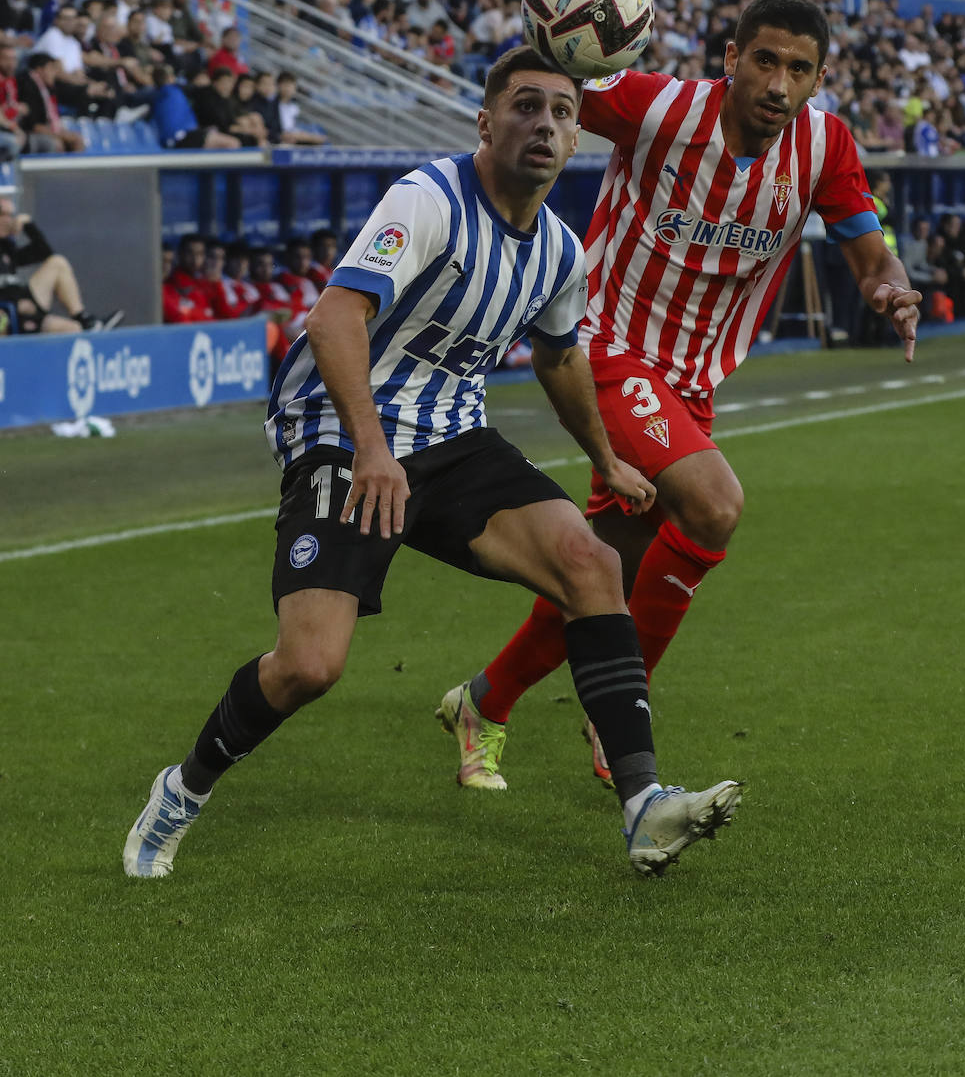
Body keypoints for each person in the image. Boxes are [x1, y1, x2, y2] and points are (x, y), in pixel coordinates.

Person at [123, 46, 743, 882]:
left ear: (577, 138)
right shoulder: (428, 199)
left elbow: (560, 359)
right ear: (486, 123)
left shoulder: (560, 249)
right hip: (345, 436)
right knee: (310, 665)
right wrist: (373, 450)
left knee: (590, 561)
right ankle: (183, 790)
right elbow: (333, 320)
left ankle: (643, 803)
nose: (547, 125)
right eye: (526, 107)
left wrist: (606, 458)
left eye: (563, 113)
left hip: (453, 440)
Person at [437, 0, 922, 793]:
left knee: (604, 574)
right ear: (731, 60)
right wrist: (556, 27)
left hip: (691, 383)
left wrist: (892, 291)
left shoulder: (825, 145)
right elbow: (551, 88)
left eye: (799, 69)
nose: (779, 82)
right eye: (764, 60)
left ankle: (484, 702)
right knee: (714, 504)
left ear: (819, 79)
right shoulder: (656, 106)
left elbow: (872, 259)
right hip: (608, 350)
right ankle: (621, 701)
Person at [0, 195, 123, 333]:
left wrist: (28, 224)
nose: (9, 220)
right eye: (4, 214)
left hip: (27, 306)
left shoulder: (6, 247)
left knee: (57, 264)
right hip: (8, 312)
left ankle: (84, 320)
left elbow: (43, 252)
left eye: (11, 215)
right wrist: (15, 304)